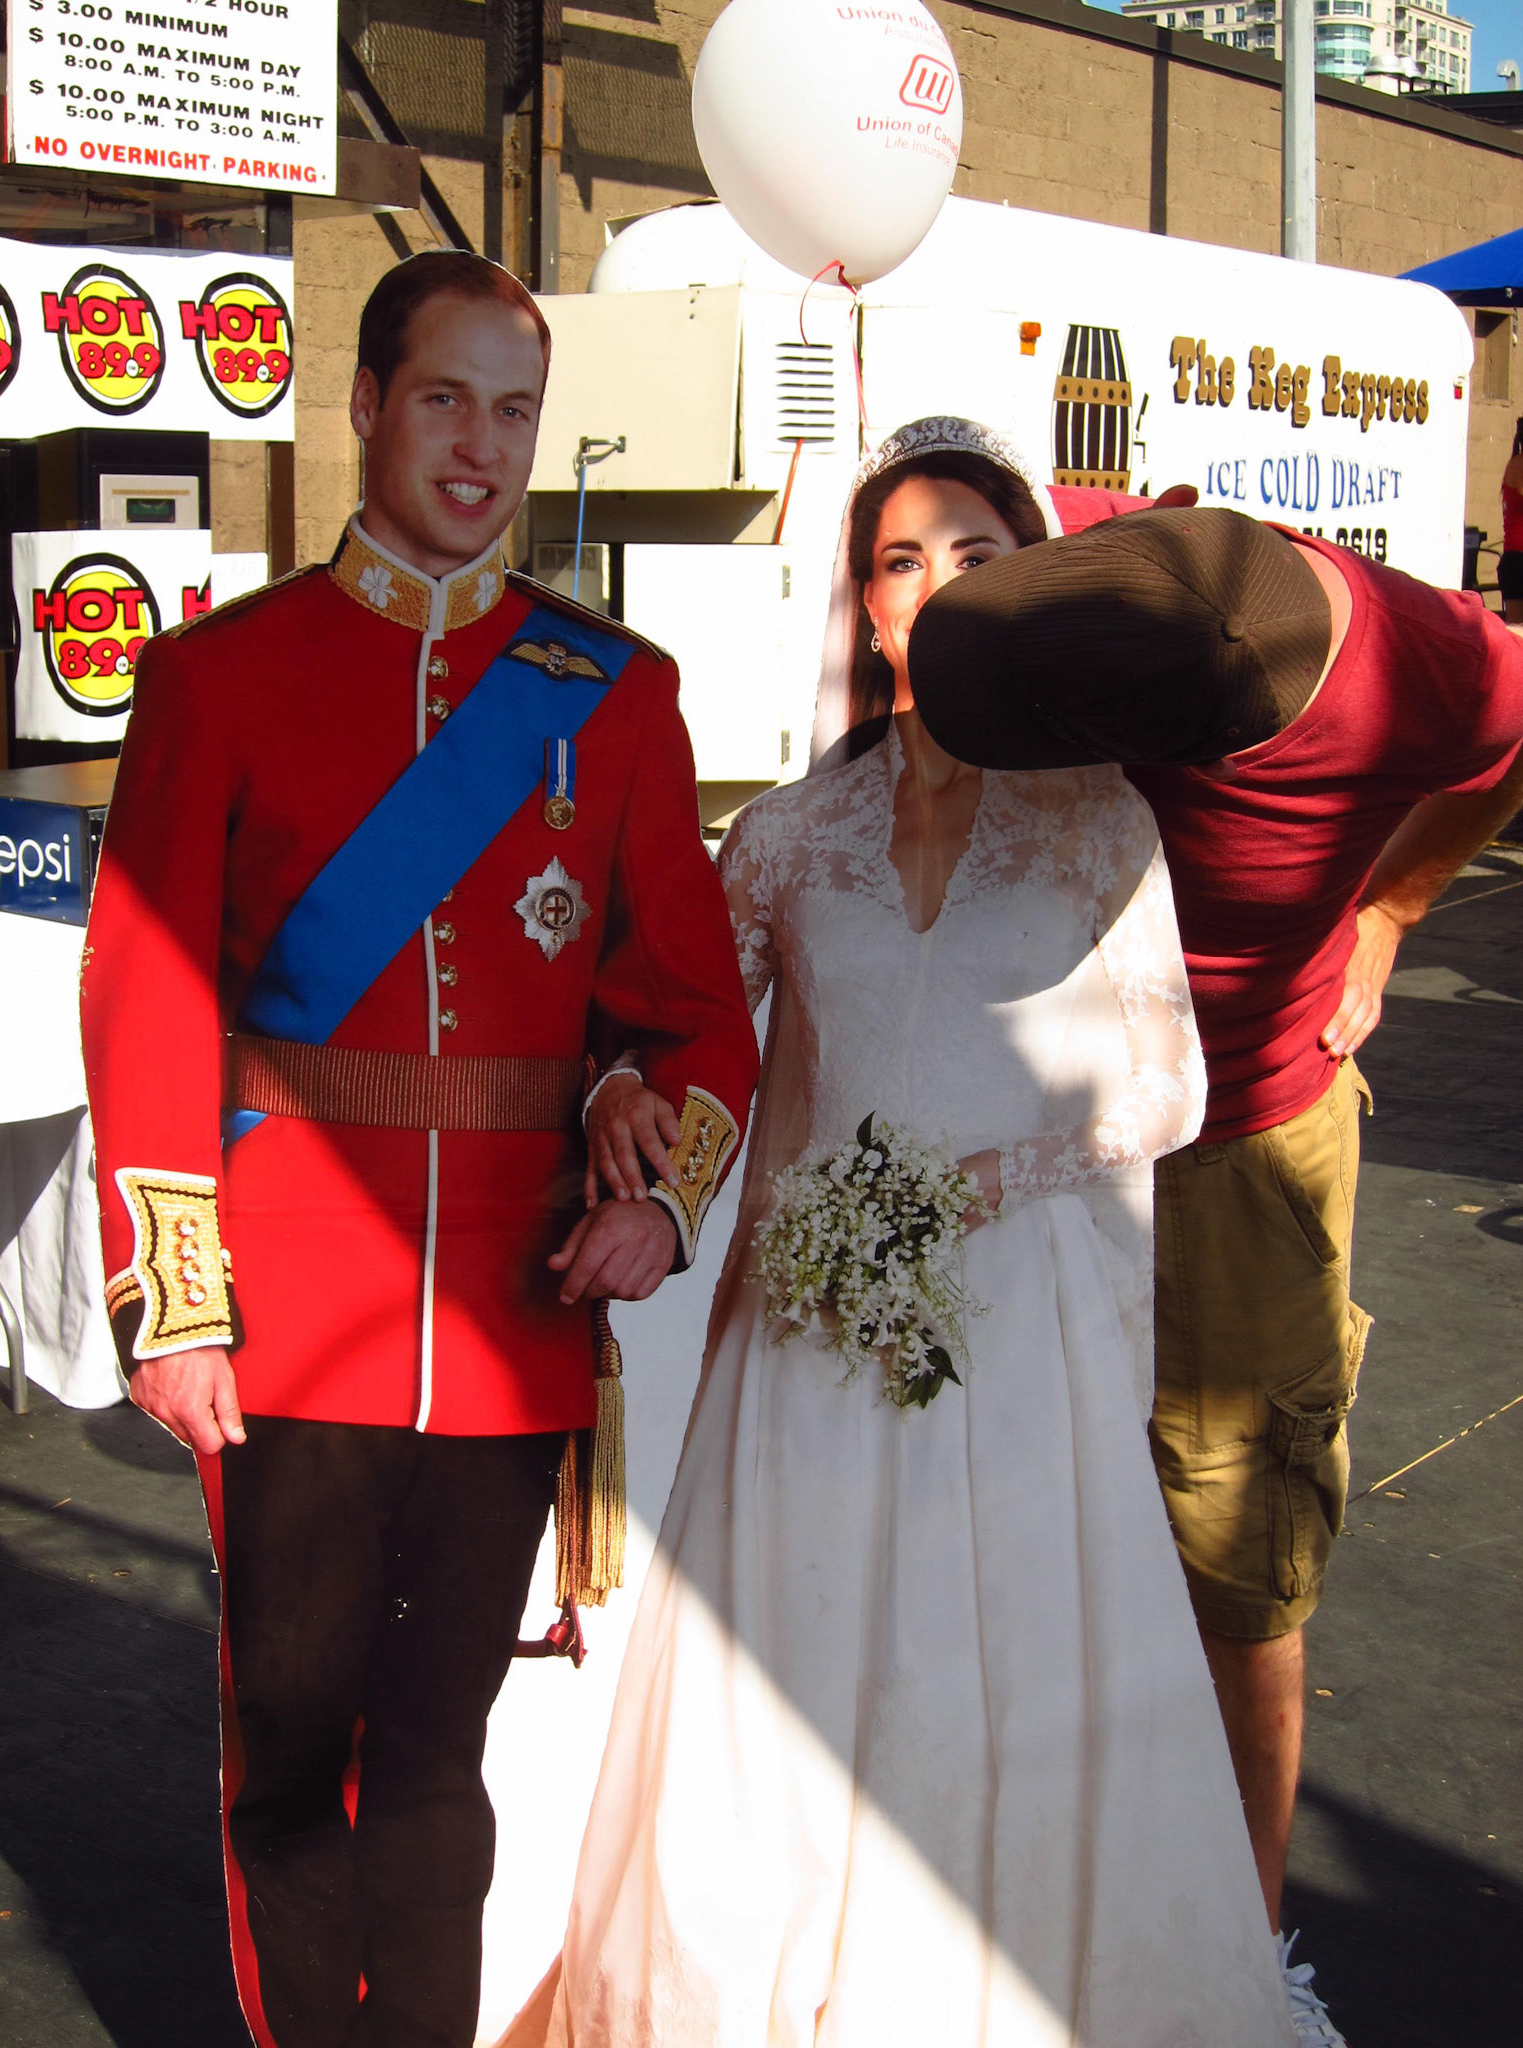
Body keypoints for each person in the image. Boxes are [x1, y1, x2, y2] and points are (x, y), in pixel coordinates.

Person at [509, 419, 1296, 2046]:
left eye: (975, 557)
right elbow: (687, 1034)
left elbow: (1167, 1082)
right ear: (865, 609)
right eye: (899, 561)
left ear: (1034, 588)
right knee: (787, 1712)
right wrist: (616, 1104)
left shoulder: (1103, 823)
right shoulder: (790, 836)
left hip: (1010, 1352)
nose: (934, 588)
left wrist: (963, 1187)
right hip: (803, 1343)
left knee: (976, 1700)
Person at [79, 249, 759, 2048]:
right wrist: (177, 1301)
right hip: (285, 1308)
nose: (477, 443)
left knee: (443, 1760)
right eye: (442, 397)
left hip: (507, 1319)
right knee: (294, 1759)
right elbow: (147, 992)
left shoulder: (607, 692)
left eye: (512, 407)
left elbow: (692, 1006)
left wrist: (661, 1199)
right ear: (367, 404)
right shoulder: (222, 678)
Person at [906, 500, 1523, 2048]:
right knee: (1009, 1521)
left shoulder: (1422, 671)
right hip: (1029, 1123)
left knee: (1235, 1549)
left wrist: (1392, 904)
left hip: (1244, 1133)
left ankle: (1236, 1964)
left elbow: (1514, 733)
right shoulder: (1112, 559)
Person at [1498, 416, 1523, 625]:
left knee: (1516, 630)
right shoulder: (1519, 463)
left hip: (1514, 559)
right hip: (1518, 559)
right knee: (1517, 632)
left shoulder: (1514, 463)